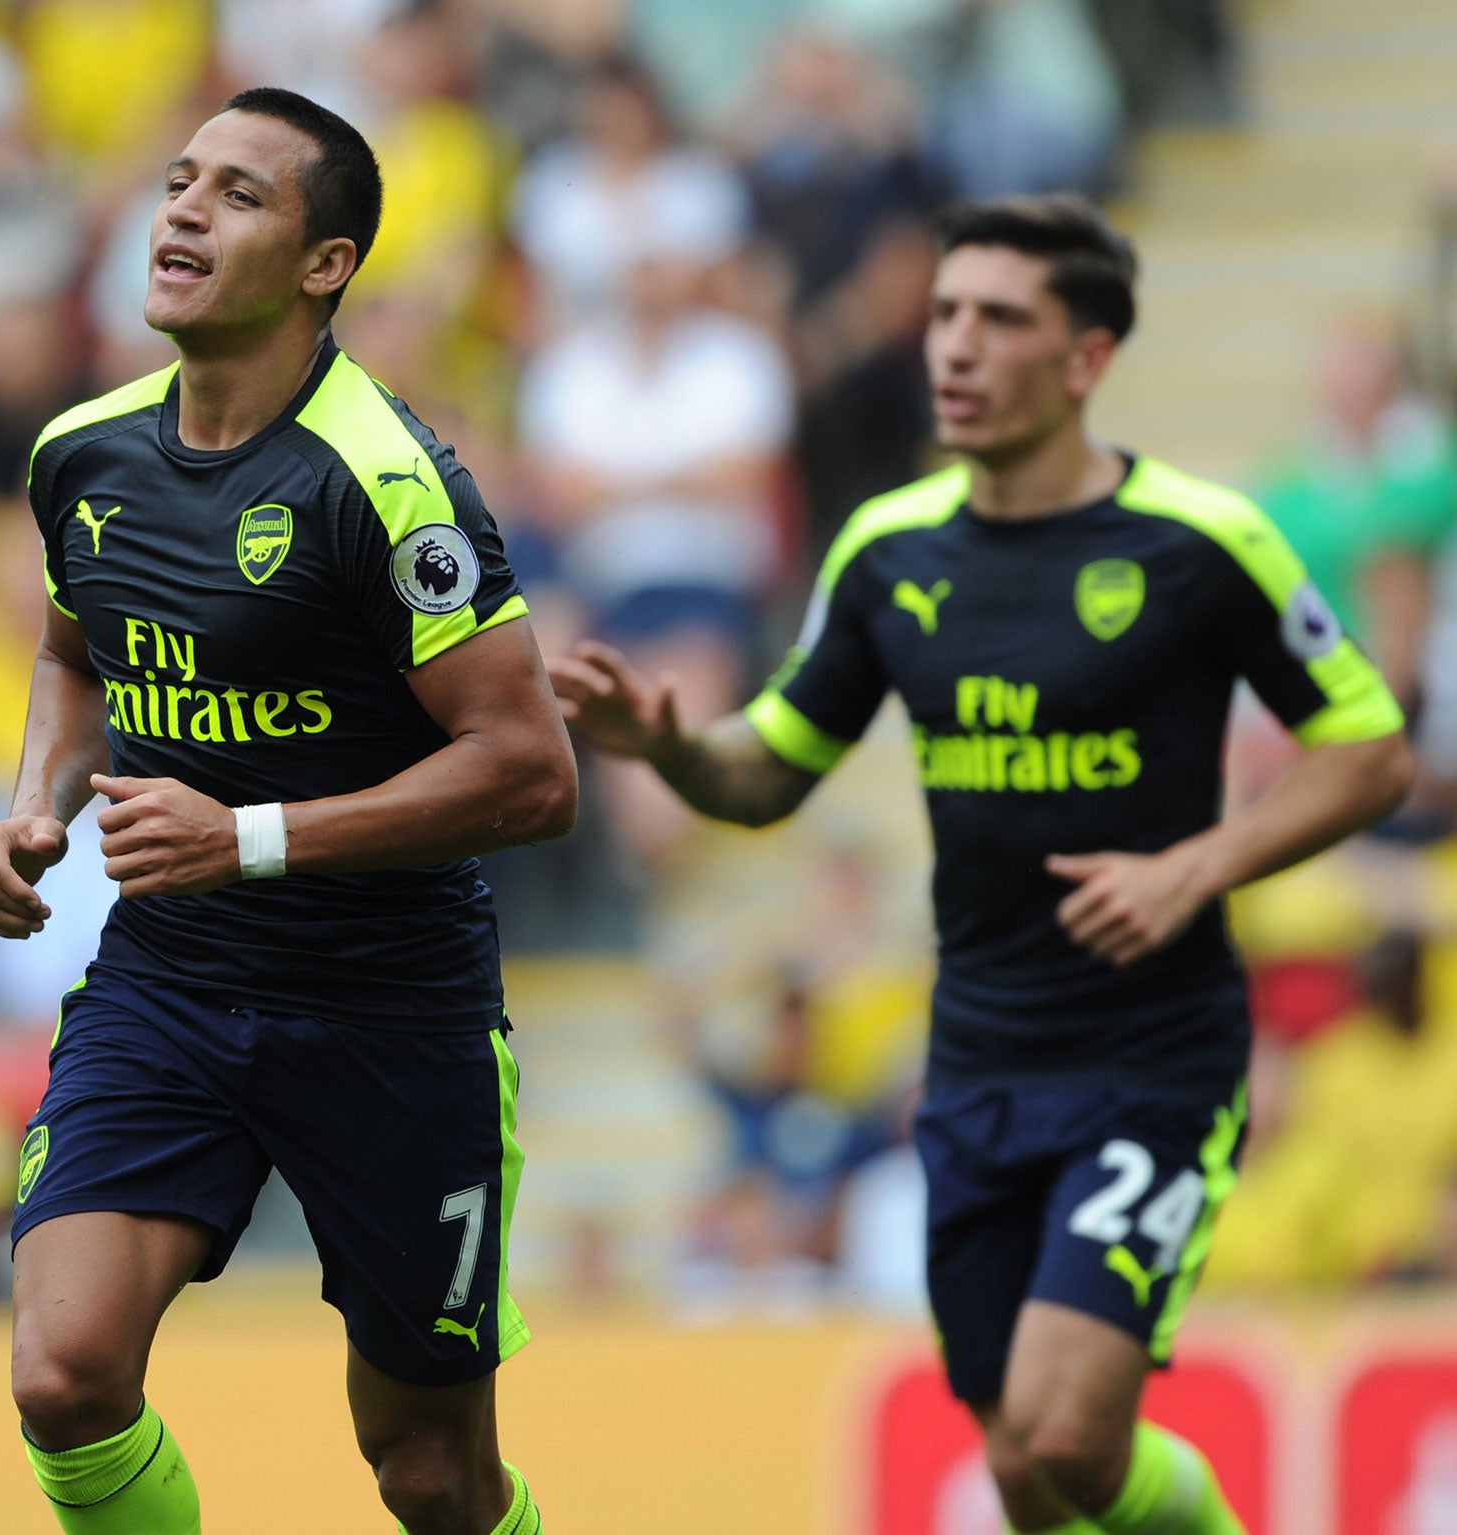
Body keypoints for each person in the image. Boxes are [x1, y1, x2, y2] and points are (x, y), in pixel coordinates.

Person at [552, 195, 1413, 1535]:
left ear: (1086, 360)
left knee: (1072, 1427)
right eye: (946, 312)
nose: (953, 345)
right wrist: (668, 749)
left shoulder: (1200, 540)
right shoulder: (890, 551)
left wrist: (1198, 868)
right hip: (977, 1063)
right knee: (1022, 1463)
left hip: (1150, 1057)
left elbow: (1368, 751)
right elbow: (769, 773)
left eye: (1000, 319)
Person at [0, 88, 573, 1535]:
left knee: (429, 1476)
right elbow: (73, 651)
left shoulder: (390, 481)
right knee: (62, 1371)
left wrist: (248, 839)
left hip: (391, 1011)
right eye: (179, 181)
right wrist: (31, 808)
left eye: (238, 194)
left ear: (325, 264)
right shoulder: (85, 454)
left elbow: (530, 772)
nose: (182, 210)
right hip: (175, 985)